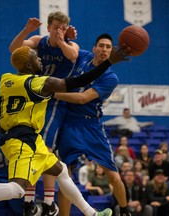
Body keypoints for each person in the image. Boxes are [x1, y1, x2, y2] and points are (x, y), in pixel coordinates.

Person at [0, 44, 130, 216]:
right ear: (28, 64)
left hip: (30, 139)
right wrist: (109, 62)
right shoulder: (37, 83)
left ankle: (92, 214)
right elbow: (79, 81)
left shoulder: (6, 79)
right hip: (22, 141)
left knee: (62, 170)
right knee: (17, 189)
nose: (40, 59)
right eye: (36, 57)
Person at [9, 11, 79, 214]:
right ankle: (30, 200)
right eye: (56, 27)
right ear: (48, 27)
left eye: (63, 28)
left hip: (54, 101)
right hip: (33, 97)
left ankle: (47, 202)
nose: (59, 31)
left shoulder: (70, 45)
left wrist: (64, 40)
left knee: (45, 149)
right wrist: (26, 30)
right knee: (33, 149)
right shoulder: (39, 41)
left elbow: (73, 55)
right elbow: (14, 49)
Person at [54, 34, 131, 216]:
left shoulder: (111, 77)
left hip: (92, 127)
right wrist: (65, 36)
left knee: (113, 175)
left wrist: (53, 93)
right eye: (101, 46)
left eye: (108, 47)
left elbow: (82, 99)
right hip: (69, 125)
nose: (104, 50)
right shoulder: (84, 56)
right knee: (65, 177)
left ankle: (125, 210)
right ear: (94, 48)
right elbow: (68, 51)